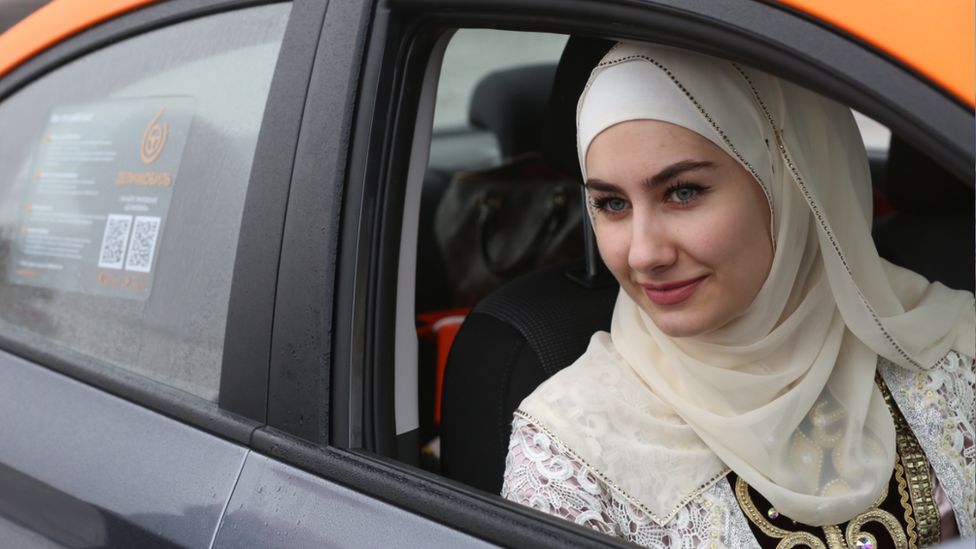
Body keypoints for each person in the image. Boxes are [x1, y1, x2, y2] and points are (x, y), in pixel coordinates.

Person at [501, 42, 975, 549]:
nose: (643, 254)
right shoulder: (571, 450)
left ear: (788, 180)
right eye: (612, 203)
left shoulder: (944, 349)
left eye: (682, 192)